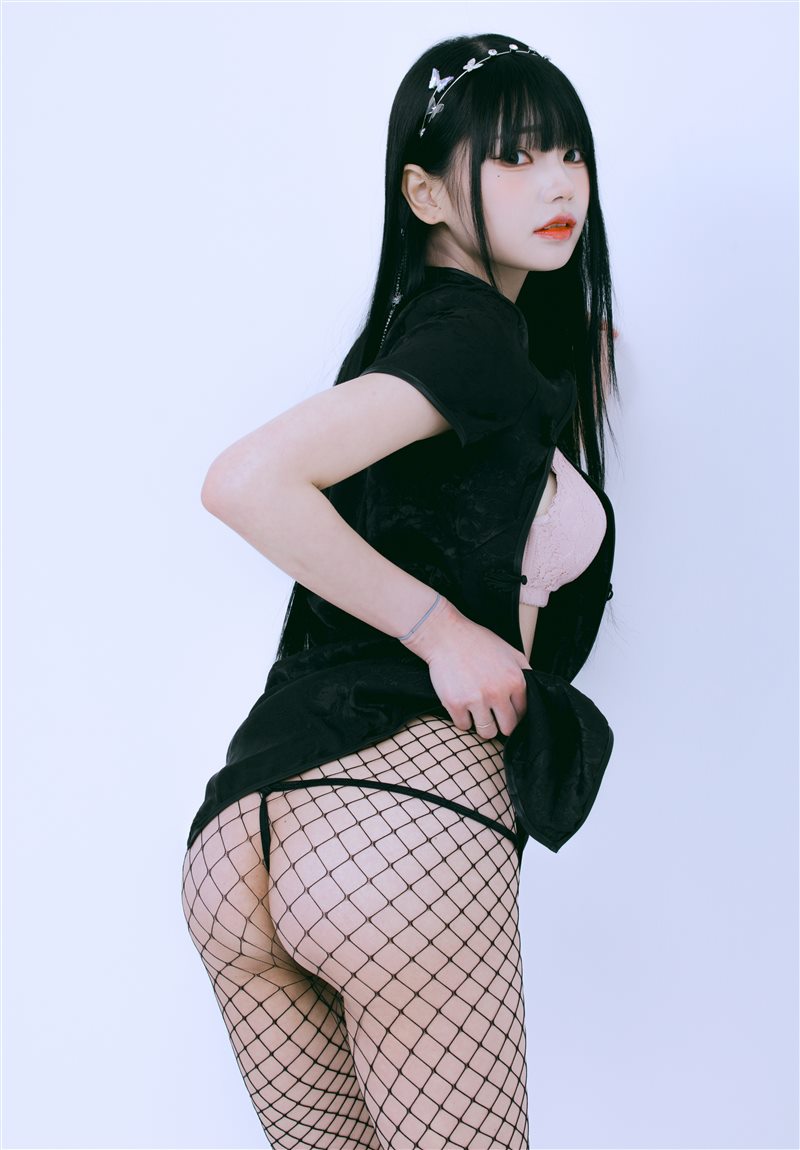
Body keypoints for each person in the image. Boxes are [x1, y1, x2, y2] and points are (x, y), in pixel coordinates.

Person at [181, 31, 620, 1150]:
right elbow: (244, 481)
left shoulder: (422, 342)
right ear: (423, 193)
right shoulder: (471, 338)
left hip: (241, 843)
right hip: (398, 825)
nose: (557, 182)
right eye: (514, 155)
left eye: (569, 151)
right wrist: (441, 630)